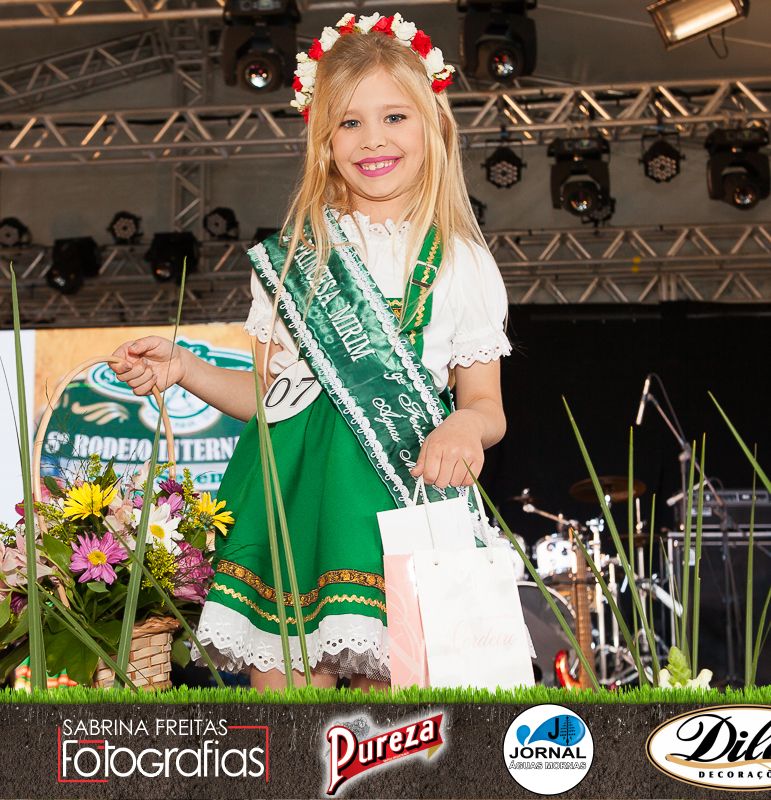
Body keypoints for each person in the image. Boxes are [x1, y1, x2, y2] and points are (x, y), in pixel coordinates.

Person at [111, 14, 509, 692]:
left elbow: (486, 405)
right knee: (292, 726)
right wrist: (186, 369)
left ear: (433, 126)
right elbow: (272, 398)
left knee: (406, 724)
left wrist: (465, 426)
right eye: (349, 123)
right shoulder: (295, 258)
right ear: (322, 141)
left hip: (402, 500)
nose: (373, 139)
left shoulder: (464, 262)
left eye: (394, 117)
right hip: (292, 503)